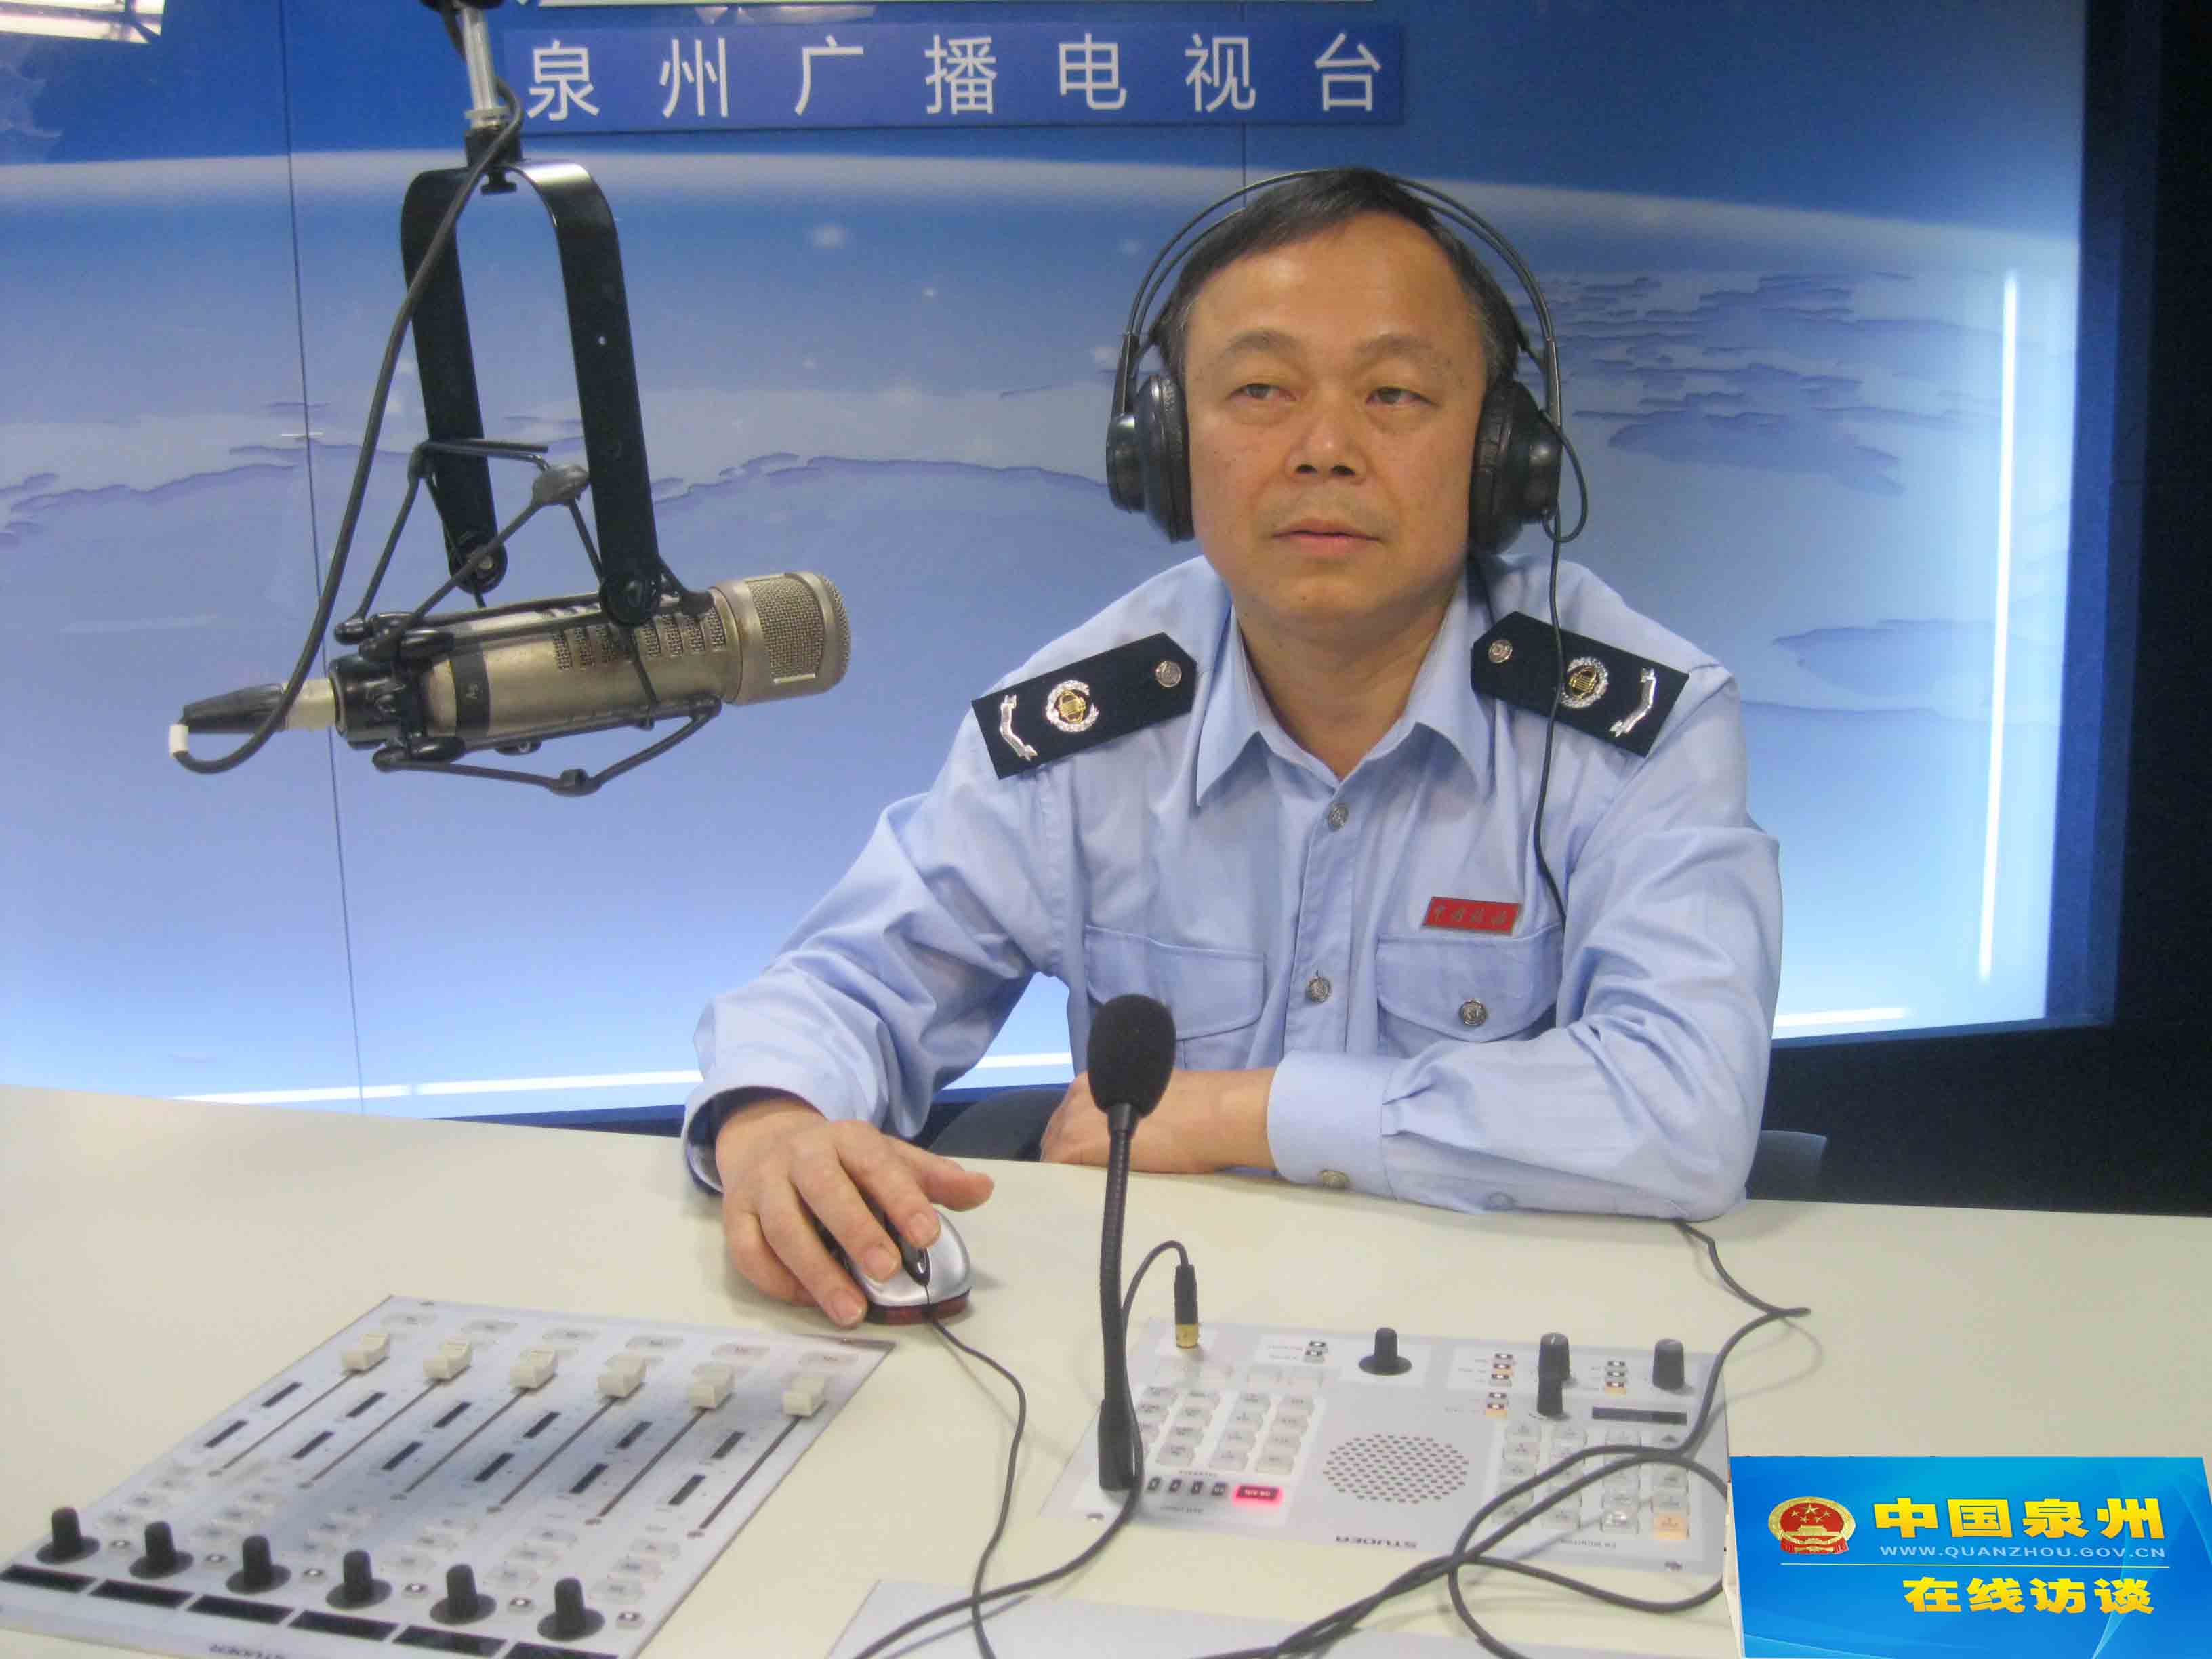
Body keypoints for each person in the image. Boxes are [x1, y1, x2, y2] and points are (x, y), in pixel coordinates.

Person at [683, 169, 1782, 1327]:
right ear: (1164, 447)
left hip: (1515, 1327)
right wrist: (773, 1120)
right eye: (1261, 391)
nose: (1325, 449)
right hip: (1160, 1334)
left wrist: (1245, 1114)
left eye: (1396, 394)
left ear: (1501, 452)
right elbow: (849, 982)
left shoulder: (1636, 728)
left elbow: (1686, 1106)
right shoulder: (1085, 725)